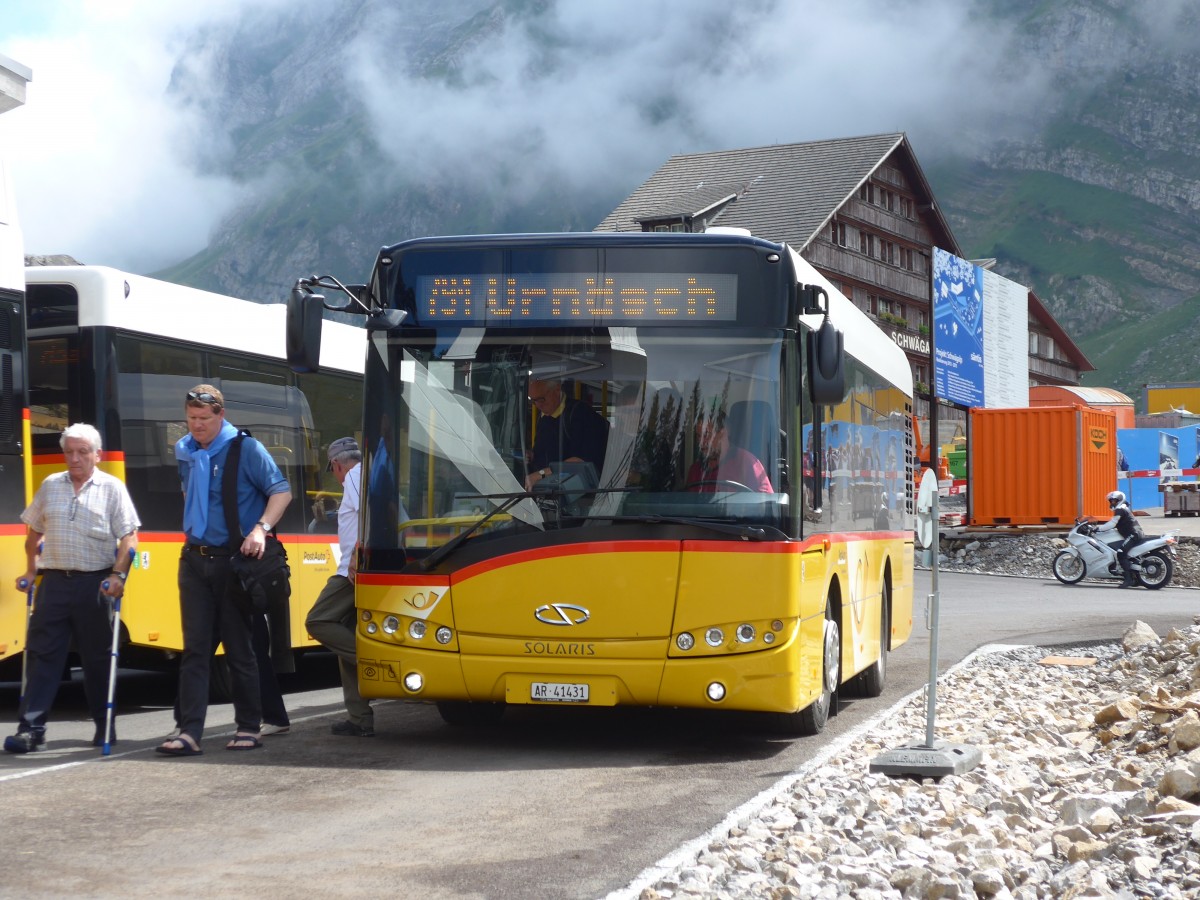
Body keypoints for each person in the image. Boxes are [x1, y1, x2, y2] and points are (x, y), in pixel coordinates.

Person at [157, 385, 292, 756]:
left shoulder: (245, 448)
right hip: (194, 559)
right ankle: (189, 732)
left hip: (234, 562)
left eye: (204, 419)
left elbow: (281, 491)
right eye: (191, 418)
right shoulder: (185, 451)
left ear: (221, 415)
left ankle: (249, 726)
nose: (196, 425)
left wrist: (260, 529)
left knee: (239, 648)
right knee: (195, 649)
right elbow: (191, 496)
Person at [4, 424, 139, 753]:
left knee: (97, 660)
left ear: (97, 455)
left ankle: (104, 725)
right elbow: (34, 530)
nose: (74, 458)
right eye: (69, 452)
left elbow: (129, 538)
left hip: (94, 584)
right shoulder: (51, 485)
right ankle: (31, 730)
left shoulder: (112, 488)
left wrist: (119, 575)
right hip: (54, 584)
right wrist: (30, 571)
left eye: (82, 452)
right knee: (41, 656)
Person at [305, 437, 375, 737]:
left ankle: (379, 662)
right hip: (356, 567)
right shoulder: (363, 477)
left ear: (336, 465)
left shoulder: (357, 476)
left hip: (353, 569)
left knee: (319, 620)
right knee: (345, 630)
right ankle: (359, 719)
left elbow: (369, 512)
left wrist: (359, 554)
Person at [524, 379, 609, 492]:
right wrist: (531, 455)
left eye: (541, 399)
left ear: (557, 389)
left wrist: (541, 474)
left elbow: (581, 461)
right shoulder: (542, 418)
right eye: (533, 400)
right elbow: (544, 454)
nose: (538, 405)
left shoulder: (580, 413)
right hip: (547, 492)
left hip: (577, 495)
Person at [686, 408, 772, 493]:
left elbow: (765, 502)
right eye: (698, 436)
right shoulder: (695, 470)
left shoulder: (746, 463)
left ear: (723, 433)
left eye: (706, 435)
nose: (701, 443)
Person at [1094, 489, 1143, 588]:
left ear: (1119, 500)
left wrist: (1098, 528)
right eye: (1111, 501)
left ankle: (1128, 579)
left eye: (1114, 501)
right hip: (1135, 533)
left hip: (1133, 534)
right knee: (1127, 555)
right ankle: (1135, 578)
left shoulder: (1120, 509)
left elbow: (1113, 523)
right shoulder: (1124, 508)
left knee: (1120, 553)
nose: (1112, 503)